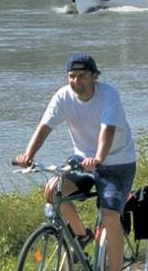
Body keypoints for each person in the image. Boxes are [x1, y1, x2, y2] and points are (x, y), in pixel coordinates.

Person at [14, 53, 137, 271]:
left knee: (109, 216)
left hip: (117, 163)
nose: (76, 81)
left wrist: (99, 158)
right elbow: (45, 127)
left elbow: (106, 131)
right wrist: (28, 155)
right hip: (82, 160)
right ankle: (82, 234)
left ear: (94, 76)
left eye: (82, 76)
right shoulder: (63, 96)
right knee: (53, 191)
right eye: (71, 76)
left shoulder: (108, 95)